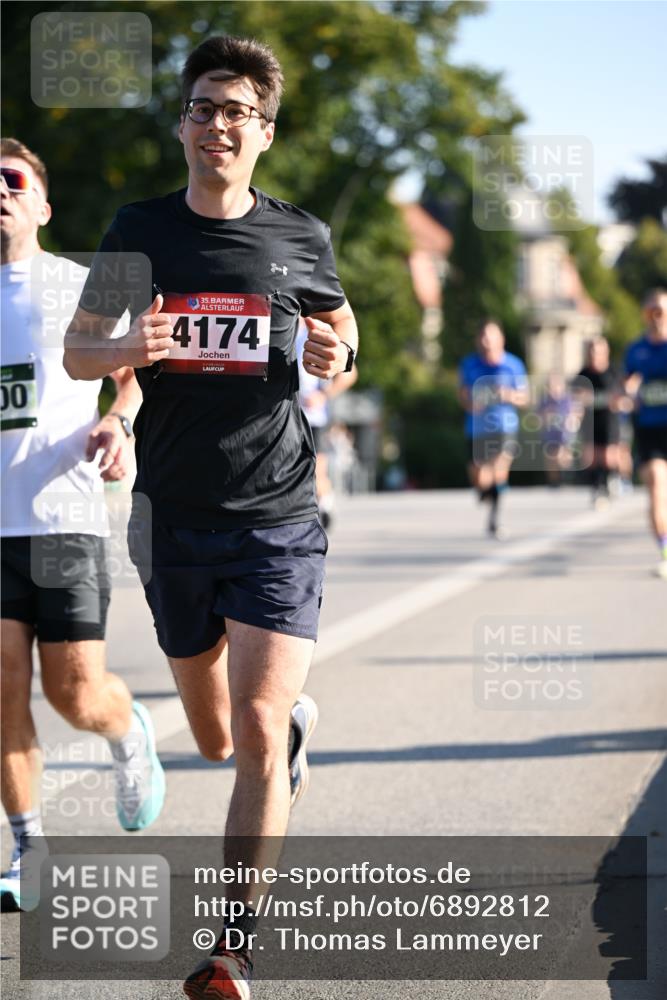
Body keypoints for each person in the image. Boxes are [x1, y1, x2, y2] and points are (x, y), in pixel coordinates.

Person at [63, 36, 358, 999]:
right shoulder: (138, 230)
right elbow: (76, 351)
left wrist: (335, 356)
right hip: (171, 516)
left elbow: (340, 326)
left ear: (263, 134)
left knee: (260, 723)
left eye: (236, 111)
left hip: (277, 511)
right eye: (201, 107)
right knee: (218, 737)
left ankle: (233, 945)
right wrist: (122, 346)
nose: (217, 124)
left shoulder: (299, 237)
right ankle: (277, 743)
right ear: (182, 123)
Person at [0, 139, 165, 910]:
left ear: (41, 204)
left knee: (73, 695)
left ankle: (125, 727)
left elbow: (133, 371)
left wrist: (120, 423)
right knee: (2, 690)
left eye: (12, 179)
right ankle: (28, 847)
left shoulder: (74, 286)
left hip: (62, 517)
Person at [458, 320, 528, 538]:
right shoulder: (469, 364)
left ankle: (494, 520)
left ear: (501, 339)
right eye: (484, 337)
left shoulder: (514, 365)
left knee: (499, 469)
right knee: (481, 477)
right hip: (476, 427)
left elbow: (525, 398)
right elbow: (462, 395)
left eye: (492, 337)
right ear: (478, 340)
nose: (487, 342)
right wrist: (471, 403)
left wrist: (508, 395)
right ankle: (484, 492)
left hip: (504, 425)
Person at [296, 320, 358, 528]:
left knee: (316, 470)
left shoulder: (317, 333)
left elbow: (350, 374)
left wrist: (322, 395)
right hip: (285, 415)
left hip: (314, 417)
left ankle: (326, 507)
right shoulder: (278, 331)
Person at [624, 288, 667, 577]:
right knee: (655, 483)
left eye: (661, 311)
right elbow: (625, 385)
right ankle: (664, 549)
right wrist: (626, 392)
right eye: (650, 311)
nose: (655, 317)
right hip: (649, 427)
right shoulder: (635, 350)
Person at [572, 337, 623, 508]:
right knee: (592, 457)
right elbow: (575, 395)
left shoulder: (614, 371)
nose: (595, 354)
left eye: (598, 350)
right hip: (589, 421)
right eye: (592, 350)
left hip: (609, 419)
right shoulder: (584, 373)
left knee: (609, 456)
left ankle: (611, 479)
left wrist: (617, 401)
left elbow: (622, 395)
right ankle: (597, 488)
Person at [537, 371, 578, 488]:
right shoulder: (545, 400)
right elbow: (539, 416)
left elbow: (575, 413)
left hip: (565, 433)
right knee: (551, 457)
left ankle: (568, 475)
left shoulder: (568, 399)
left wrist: (570, 420)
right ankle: (554, 481)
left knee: (562, 454)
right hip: (550, 433)